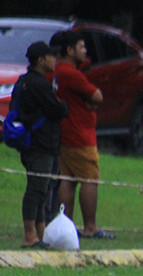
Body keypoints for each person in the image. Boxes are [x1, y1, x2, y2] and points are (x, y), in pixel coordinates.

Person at [51, 30, 113, 239]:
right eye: (81, 47)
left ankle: (65, 225)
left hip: (65, 134)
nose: (85, 51)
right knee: (89, 178)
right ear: (69, 50)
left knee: (67, 179)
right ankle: (90, 226)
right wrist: (91, 101)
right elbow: (97, 96)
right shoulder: (70, 73)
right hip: (80, 135)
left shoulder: (56, 72)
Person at [14, 42, 69, 248]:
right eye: (50, 57)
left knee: (43, 190)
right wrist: (63, 106)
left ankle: (40, 234)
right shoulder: (38, 84)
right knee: (36, 189)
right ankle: (29, 235)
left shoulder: (25, 82)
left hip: (38, 144)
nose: (54, 60)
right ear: (40, 60)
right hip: (39, 145)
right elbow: (57, 109)